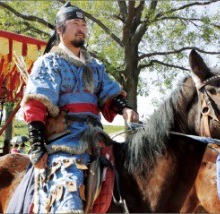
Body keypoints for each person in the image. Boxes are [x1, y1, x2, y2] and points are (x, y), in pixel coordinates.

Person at [7, 2, 139, 213]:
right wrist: (37, 146)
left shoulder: (95, 67)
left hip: (97, 139)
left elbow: (110, 94)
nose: (81, 28)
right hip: (64, 143)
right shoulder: (49, 63)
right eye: (75, 23)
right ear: (60, 29)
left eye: (84, 25)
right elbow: (36, 103)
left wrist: (125, 109)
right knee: (68, 193)